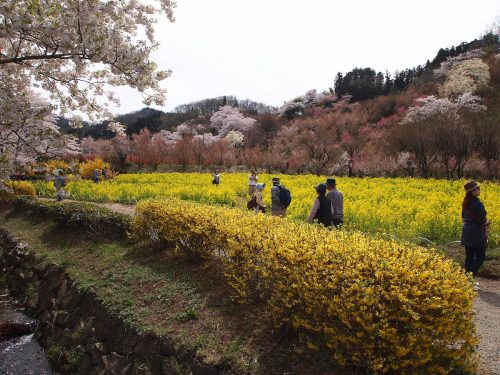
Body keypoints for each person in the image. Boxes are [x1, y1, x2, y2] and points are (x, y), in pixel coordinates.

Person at [461, 180, 490, 290]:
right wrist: (486, 223)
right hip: (476, 234)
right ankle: (470, 280)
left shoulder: (465, 203)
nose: (479, 190)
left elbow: (463, 217)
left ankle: (466, 281)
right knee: (480, 257)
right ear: (472, 192)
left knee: (469, 257)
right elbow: (482, 220)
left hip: (466, 232)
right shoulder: (478, 204)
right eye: (477, 189)